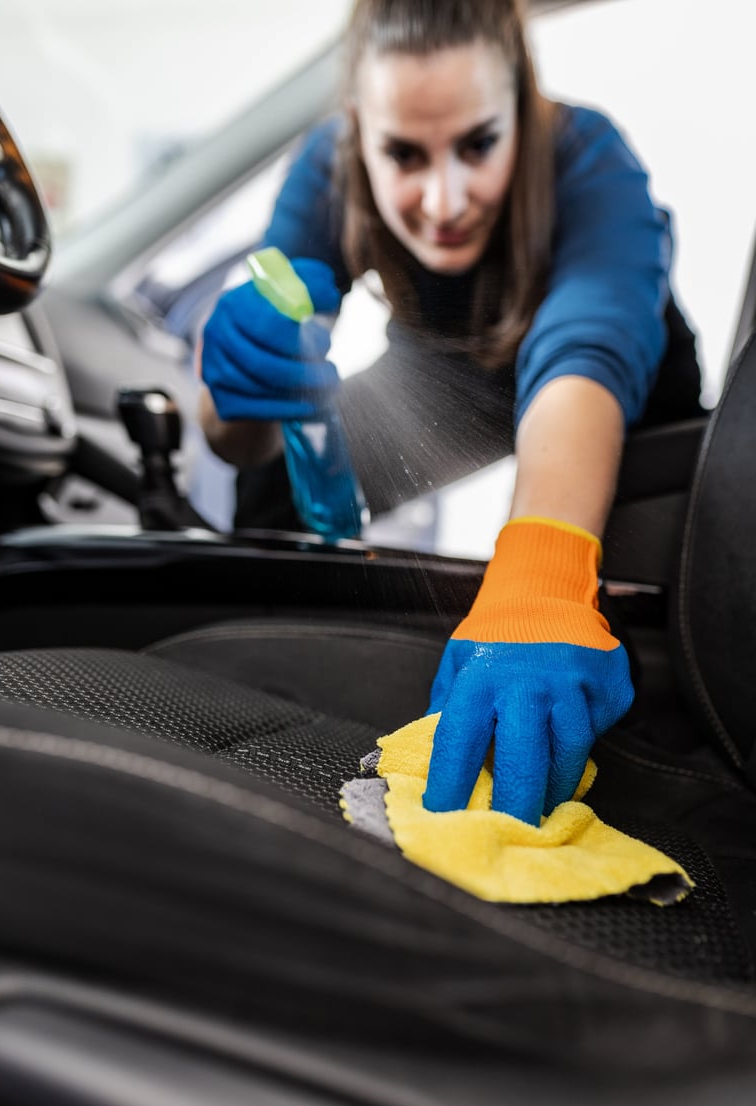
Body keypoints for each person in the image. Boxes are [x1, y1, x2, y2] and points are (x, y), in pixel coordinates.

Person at [198, 0, 702, 827]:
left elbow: (583, 354)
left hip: (616, 400)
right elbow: (240, 440)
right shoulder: (328, 167)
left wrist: (540, 576)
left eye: (478, 144)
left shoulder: (588, 159)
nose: (444, 200)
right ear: (361, 131)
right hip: (450, 377)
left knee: (613, 581)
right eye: (404, 153)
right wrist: (231, 385)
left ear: (522, 111)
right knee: (275, 497)